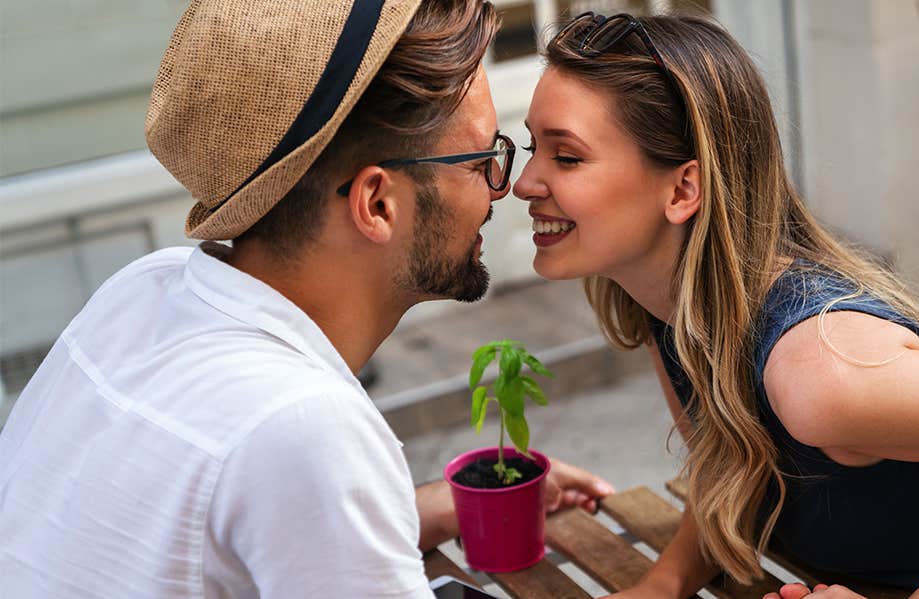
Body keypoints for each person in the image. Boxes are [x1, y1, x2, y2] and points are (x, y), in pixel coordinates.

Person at [0, 2, 612, 597]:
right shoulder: (301, 425)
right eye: (483, 161)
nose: (507, 189)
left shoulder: (142, 291)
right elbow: (284, 461)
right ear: (377, 203)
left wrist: (430, 505)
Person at [514, 11, 919, 599]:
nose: (525, 183)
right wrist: (662, 585)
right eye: (532, 148)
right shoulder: (666, 307)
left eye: (566, 156)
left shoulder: (822, 376)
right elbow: (725, 462)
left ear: (683, 189)